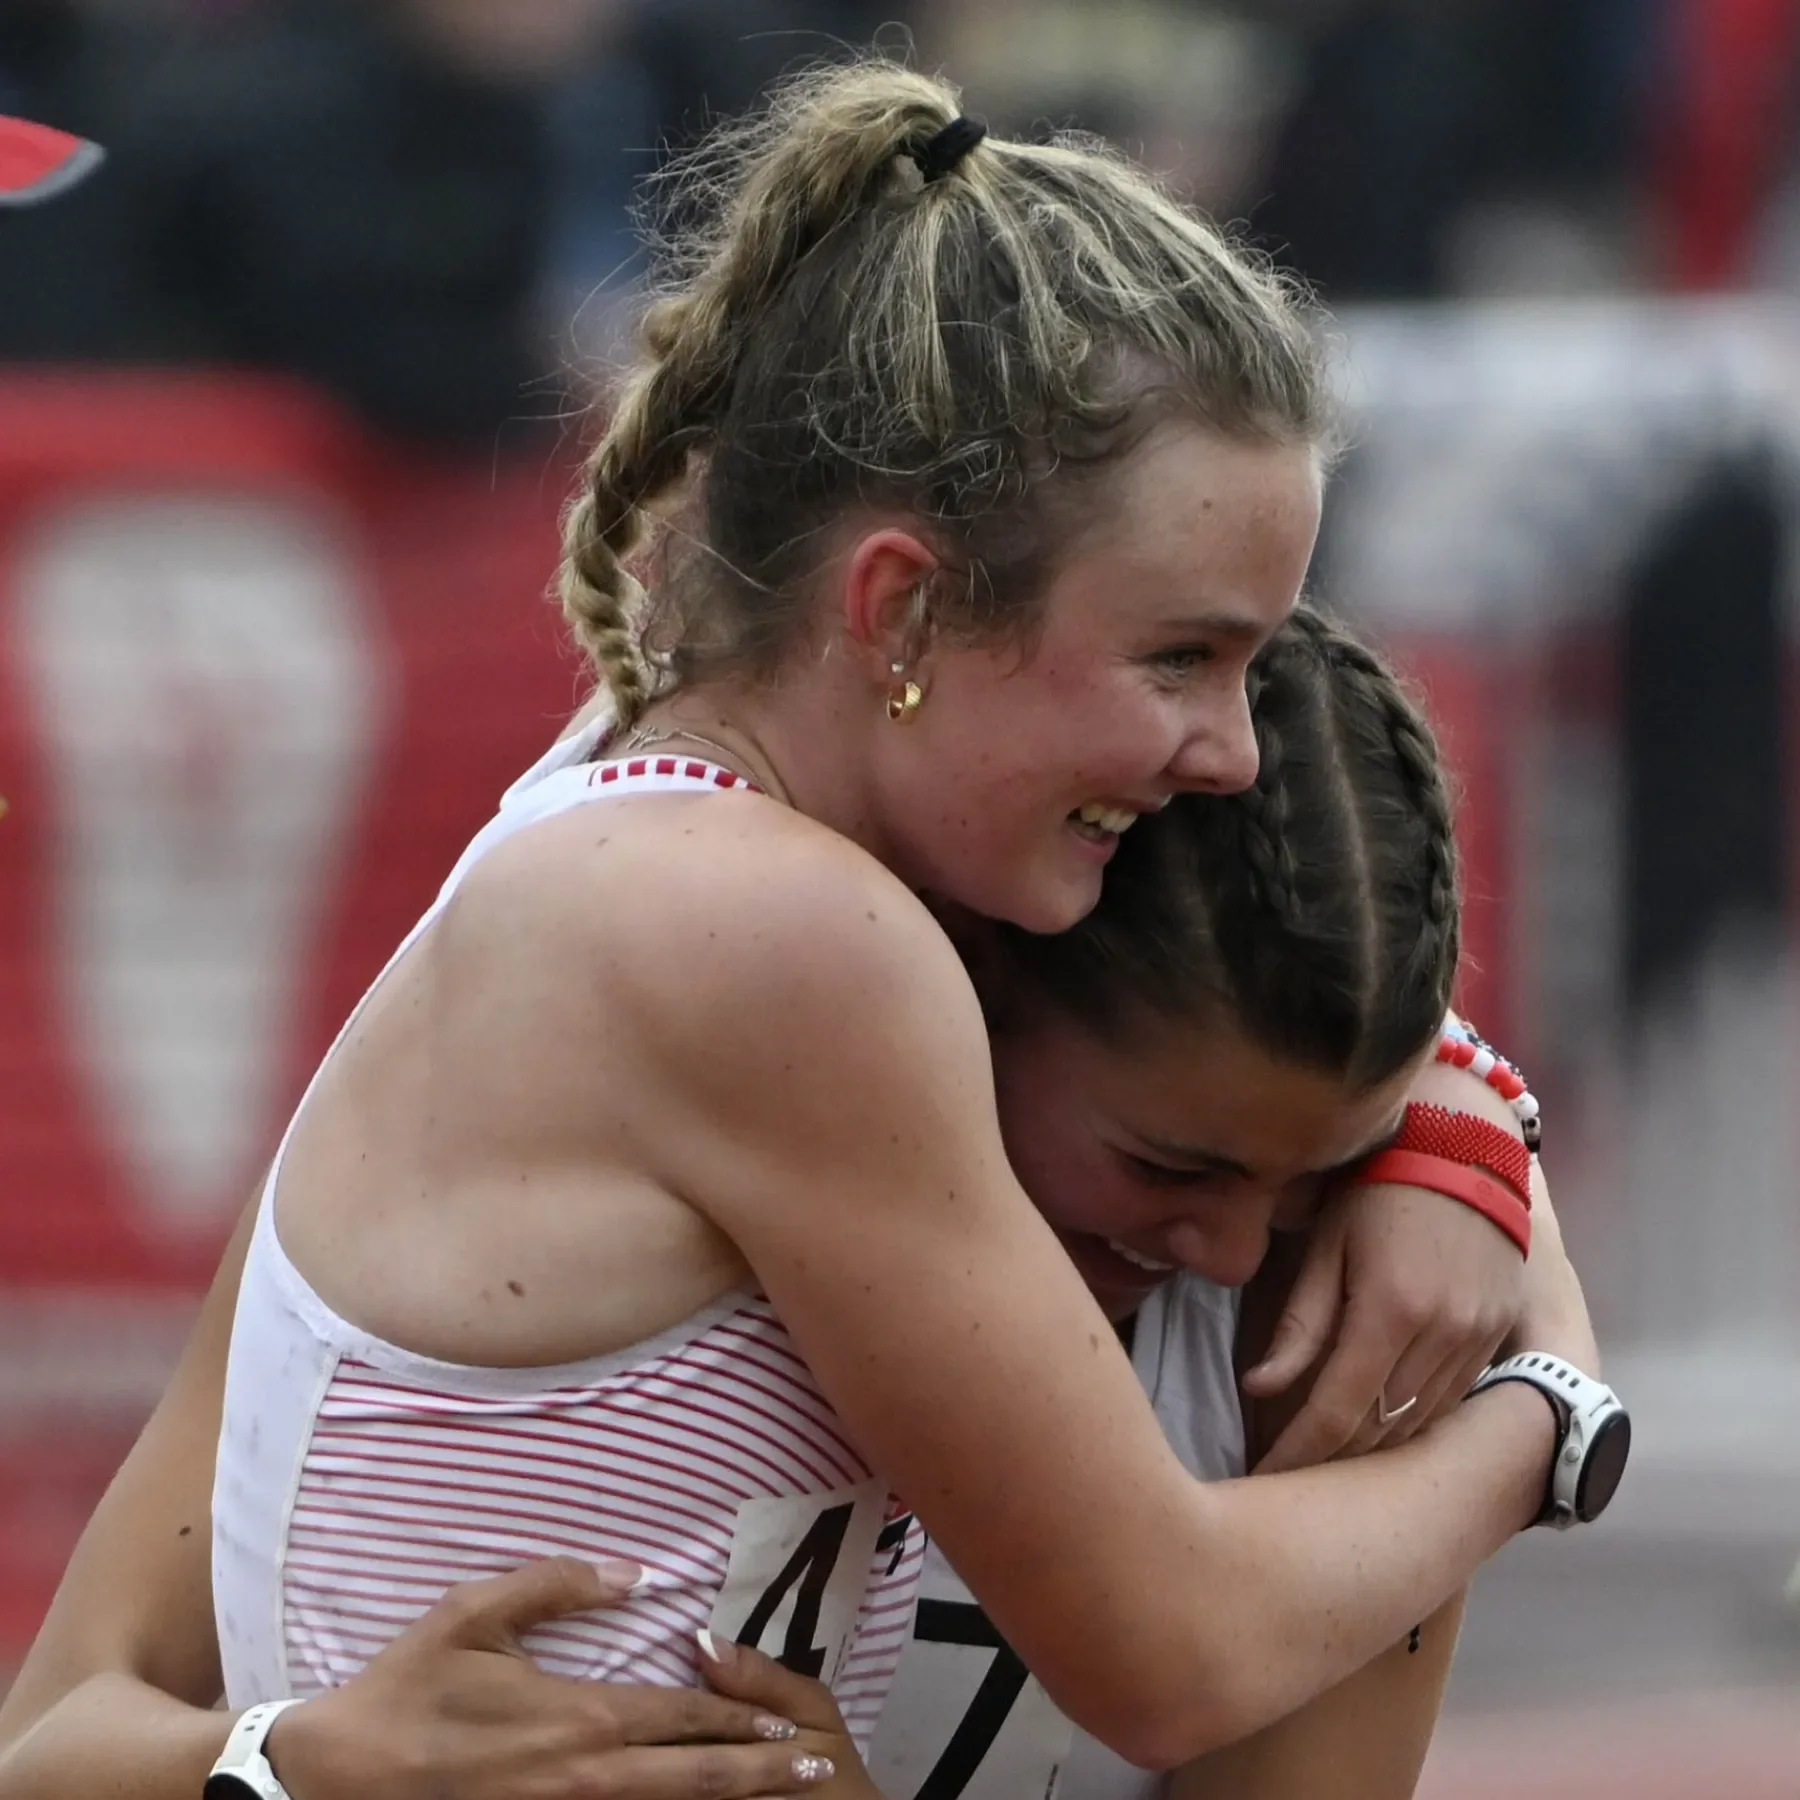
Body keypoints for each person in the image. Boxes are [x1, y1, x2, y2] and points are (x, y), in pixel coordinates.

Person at [0, 57, 1601, 1800]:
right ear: (900, 603)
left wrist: (1461, 1110)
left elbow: (54, 1731)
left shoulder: (595, 823)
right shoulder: (779, 940)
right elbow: (1174, 1655)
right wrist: (1551, 1407)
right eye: (1180, 657)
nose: (1230, 749)